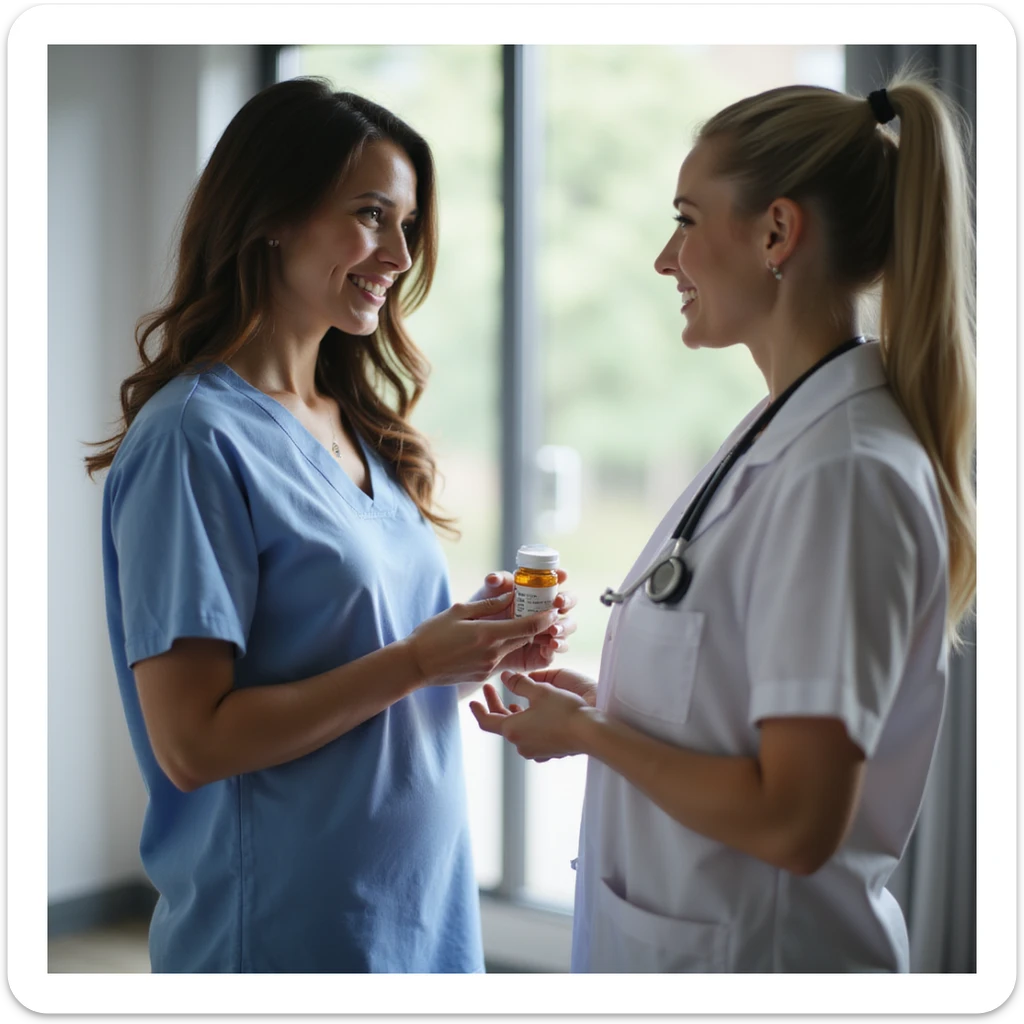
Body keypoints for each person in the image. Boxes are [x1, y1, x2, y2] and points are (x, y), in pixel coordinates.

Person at [471, 72, 976, 973]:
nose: (667, 260)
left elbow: (794, 820)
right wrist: (606, 703)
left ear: (777, 232)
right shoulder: (787, 430)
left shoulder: (844, 473)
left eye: (687, 221)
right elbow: (743, 705)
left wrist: (589, 736)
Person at [87, 78, 576, 974]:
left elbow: (358, 646)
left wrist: (473, 637)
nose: (398, 251)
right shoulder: (195, 438)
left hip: (417, 911)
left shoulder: (353, 422)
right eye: (370, 215)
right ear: (274, 214)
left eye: (408, 224)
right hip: (289, 932)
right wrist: (422, 658)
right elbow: (193, 744)